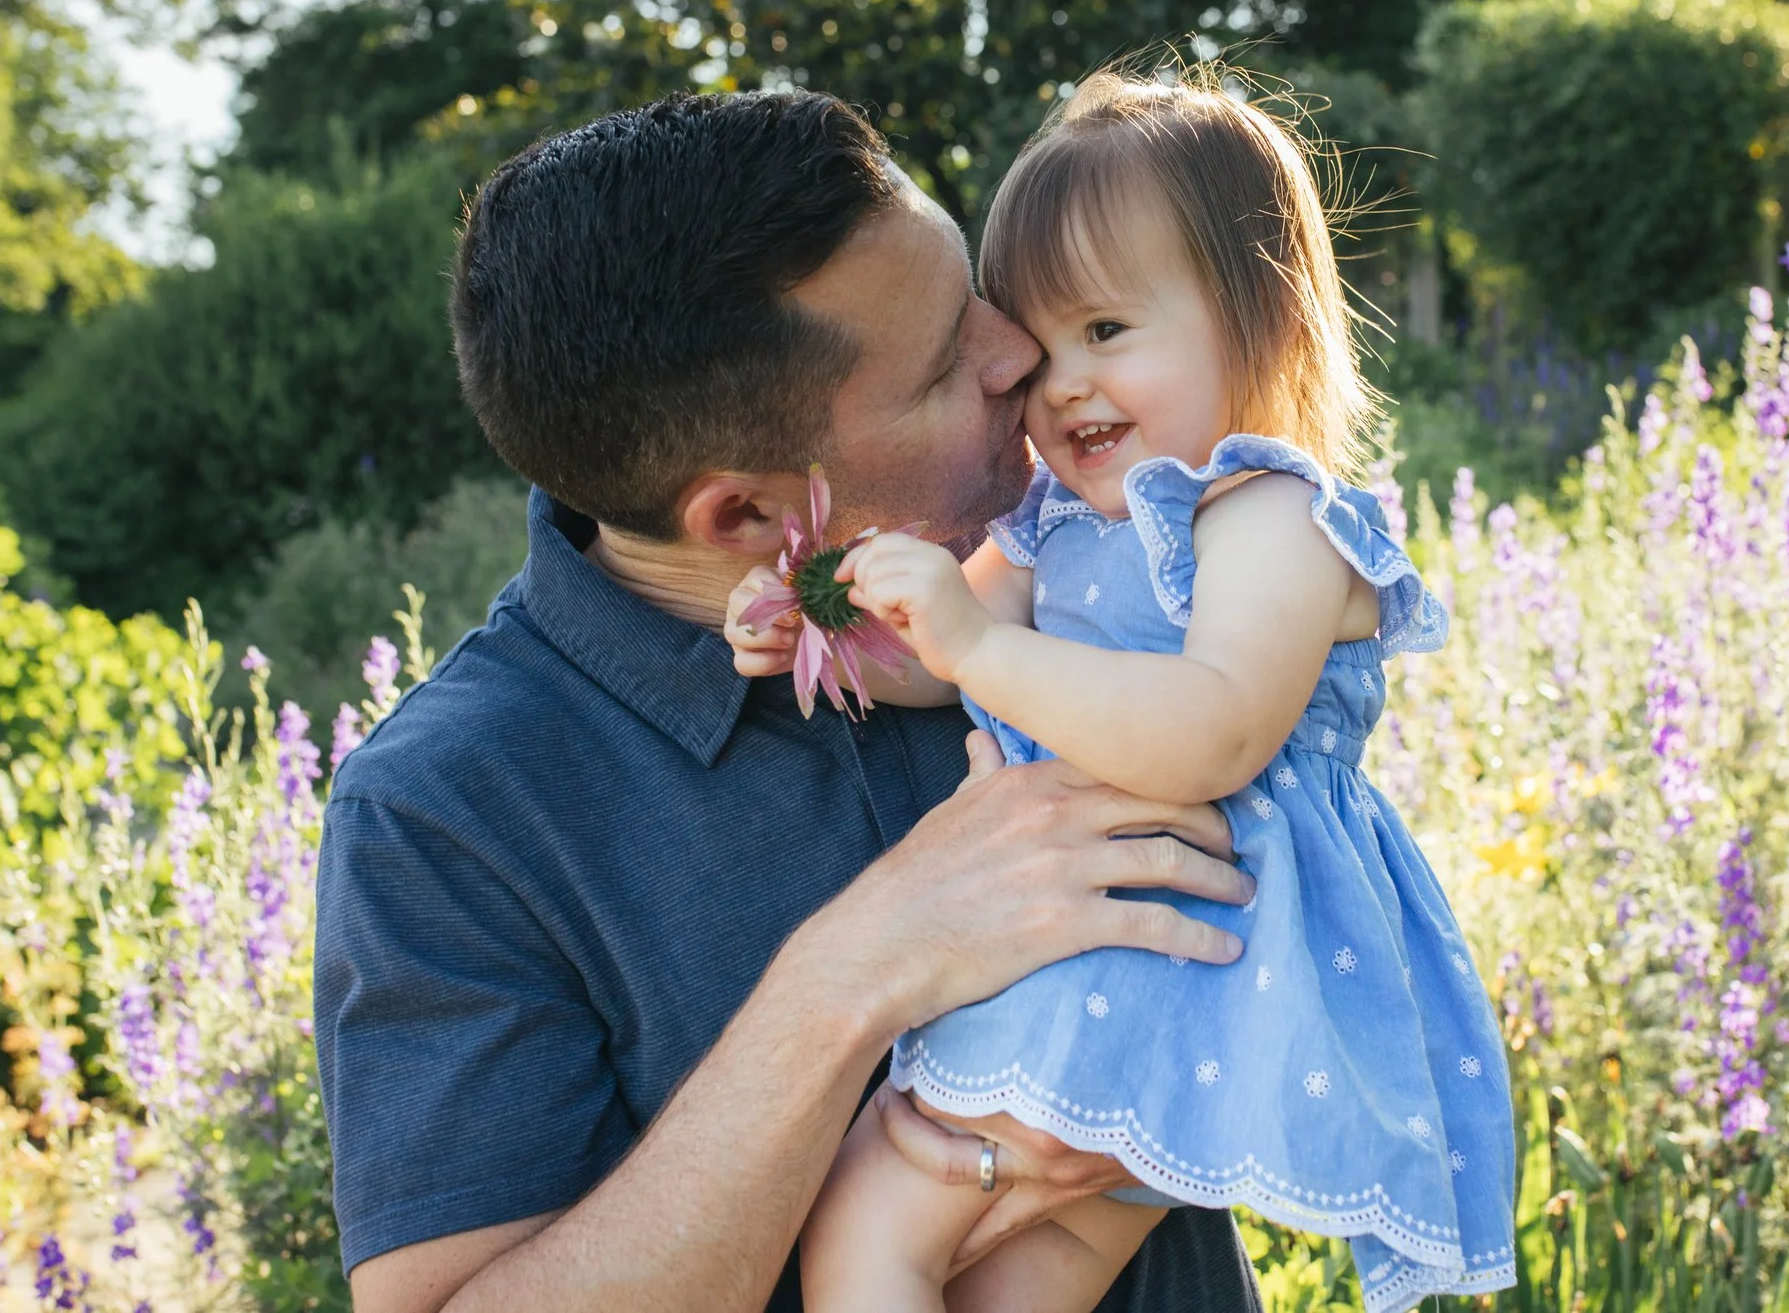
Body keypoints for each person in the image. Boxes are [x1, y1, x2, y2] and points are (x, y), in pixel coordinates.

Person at [312, 90, 1268, 1313]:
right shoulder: (448, 808)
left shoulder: (1064, 566)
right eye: (940, 365)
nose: (1016, 350)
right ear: (750, 515)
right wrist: (854, 970)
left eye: (972, 286)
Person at [728, 70, 1517, 1313]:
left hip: (1173, 948)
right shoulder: (1061, 524)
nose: (1062, 386)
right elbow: (946, 650)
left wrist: (977, 649)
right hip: (1125, 959)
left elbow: (1209, 729)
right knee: (1008, 1289)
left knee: (867, 1231)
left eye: (1107, 331)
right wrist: (828, 627)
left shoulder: (1273, 517)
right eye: (1040, 351)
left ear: (1262, 322)